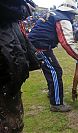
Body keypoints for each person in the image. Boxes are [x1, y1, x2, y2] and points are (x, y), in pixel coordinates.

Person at [28, 0, 78, 112]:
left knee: (51, 70)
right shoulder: (63, 19)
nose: (73, 17)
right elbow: (66, 42)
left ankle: (52, 92)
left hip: (35, 45)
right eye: (73, 14)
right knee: (55, 71)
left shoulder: (53, 14)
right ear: (69, 12)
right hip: (40, 47)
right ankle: (56, 103)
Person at [0, 0, 38, 132]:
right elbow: (10, 7)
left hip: (9, 67)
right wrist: (25, 7)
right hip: (6, 70)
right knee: (10, 124)